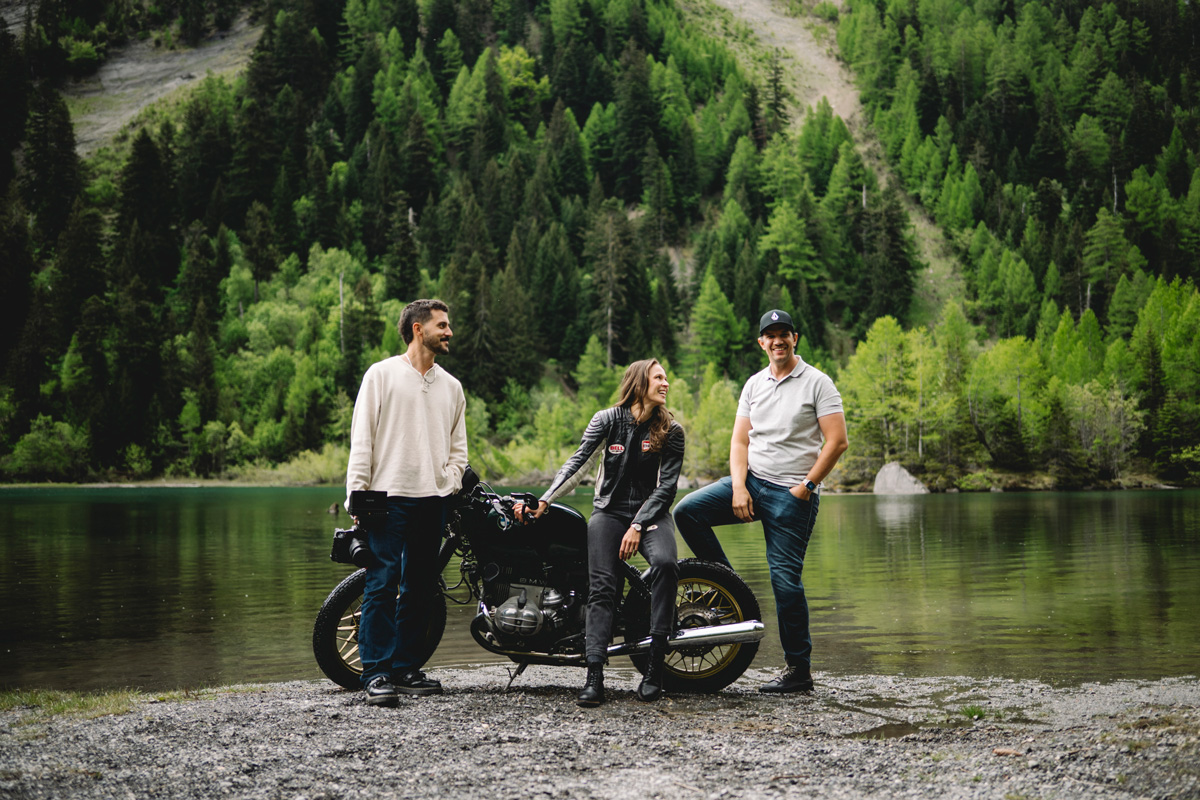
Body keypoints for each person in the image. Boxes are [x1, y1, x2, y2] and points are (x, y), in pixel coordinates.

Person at [673, 309, 848, 694]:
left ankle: (798, 671)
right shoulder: (754, 384)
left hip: (791, 495)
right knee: (688, 511)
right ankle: (731, 588)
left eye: (783, 333)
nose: (777, 341)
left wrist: (807, 486)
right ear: (761, 343)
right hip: (751, 483)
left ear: (795, 338)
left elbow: (837, 441)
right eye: (770, 335)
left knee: (785, 583)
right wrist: (738, 487)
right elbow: (740, 441)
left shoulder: (818, 383)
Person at [518, 359, 684, 707]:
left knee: (667, 565)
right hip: (607, 513)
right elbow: (578, 463)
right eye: (658, 378)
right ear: (639, 382)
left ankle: (655, 668)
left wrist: (638, 524)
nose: (665, 383)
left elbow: (667, 488)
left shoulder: (672, 430)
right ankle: (594, 675)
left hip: (651, 514)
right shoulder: (607, 420)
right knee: (602, 587)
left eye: (666, 378)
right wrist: (546, 500)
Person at [345, 299, 468, 707]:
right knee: (381, 585)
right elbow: (362, 439)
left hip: (432, 502)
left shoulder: (451, 387)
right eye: (442, 325)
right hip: (386, 500)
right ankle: (376, 673)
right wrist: (357, 495)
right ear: (418, 329)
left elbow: (459, 450)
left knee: (420, 588)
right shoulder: (381, 375)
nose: (449, 332)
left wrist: (446, 483)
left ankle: (405, 668)